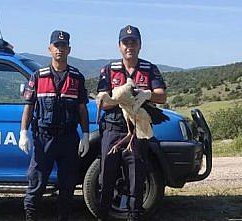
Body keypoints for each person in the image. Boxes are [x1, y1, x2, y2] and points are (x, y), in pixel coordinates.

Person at [96, 25, 167, 221]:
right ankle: (104, 215)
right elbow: (104, 103)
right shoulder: (109, 70)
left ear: (140, 45)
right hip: (111, 130)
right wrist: (117, 99)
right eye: (125, 43)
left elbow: (162, 96)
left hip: (138, 131)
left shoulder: (149, 69)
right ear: (119, 46)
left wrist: (147, 94)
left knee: (136, 179)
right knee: (106, 178)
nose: (130, 46)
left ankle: (134, 216)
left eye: (133, 42)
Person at [18, 30, 90, 221]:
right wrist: (23, 132)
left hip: (68, 138)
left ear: (69, 49)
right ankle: (31, 217)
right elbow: (29, 106)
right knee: (36, 182)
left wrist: (85, 134)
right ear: (50, 49)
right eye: (56, 46)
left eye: (63, 46)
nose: (60, 50)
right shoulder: (38, 76)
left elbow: (82, 109)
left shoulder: (76, 77)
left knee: (67, 184)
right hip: (44, 138)